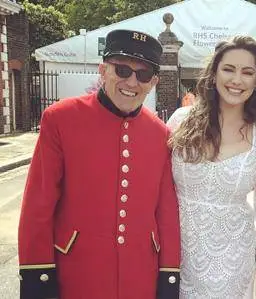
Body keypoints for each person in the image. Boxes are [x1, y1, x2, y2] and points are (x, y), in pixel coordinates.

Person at [18, 30, 181, 299]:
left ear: (153, 82)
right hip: (78, 273)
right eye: (122, 70)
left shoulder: (160, 133)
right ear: (103, 70)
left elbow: (166, 211)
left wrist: (169, 273)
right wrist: (38, 274)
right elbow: (39, 203)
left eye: (142, 75)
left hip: (141, 275)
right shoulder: (61, 119)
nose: (132, 81)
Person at [166, 36, 256, 298]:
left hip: (234, 260)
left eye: (247, 72)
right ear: (214, 73)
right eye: (229, 69)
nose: (236, 80)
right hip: (177, 250)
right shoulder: (180, 121)